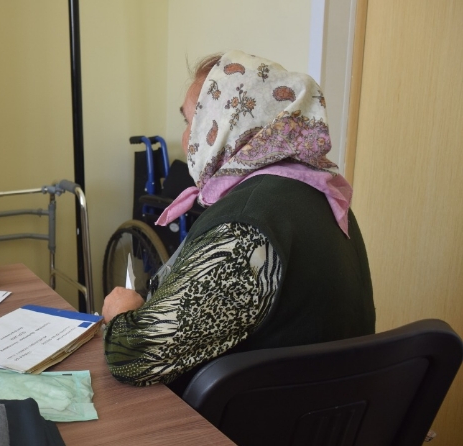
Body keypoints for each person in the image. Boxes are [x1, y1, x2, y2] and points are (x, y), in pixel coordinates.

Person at [102, 50, 375, 394]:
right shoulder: (321, 192)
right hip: (324, 407)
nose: (186, 139)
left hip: (258, 417)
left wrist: (121, 314)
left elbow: (133, 357)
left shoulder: (246, 228)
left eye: (190, 122)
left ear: (222, 125)